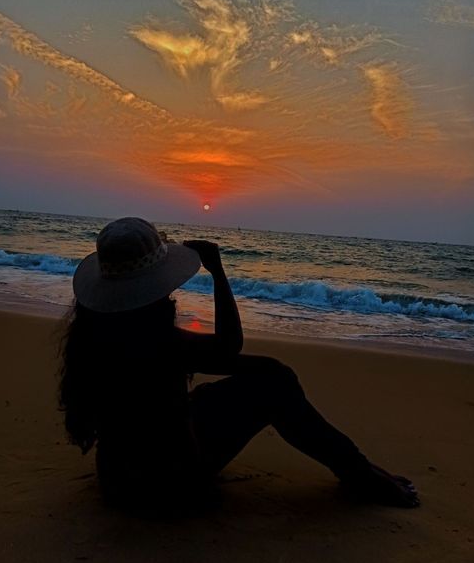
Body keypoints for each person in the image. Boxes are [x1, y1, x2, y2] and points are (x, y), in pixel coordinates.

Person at [60, 217, 419, 513]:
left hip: (118, 479)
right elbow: (229, 347)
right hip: (167, 486)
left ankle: (356, 467)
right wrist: (217, 271)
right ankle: (358, 472)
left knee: (227, 387)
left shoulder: (93, 332)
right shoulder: (157, 341)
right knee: (274, 379)